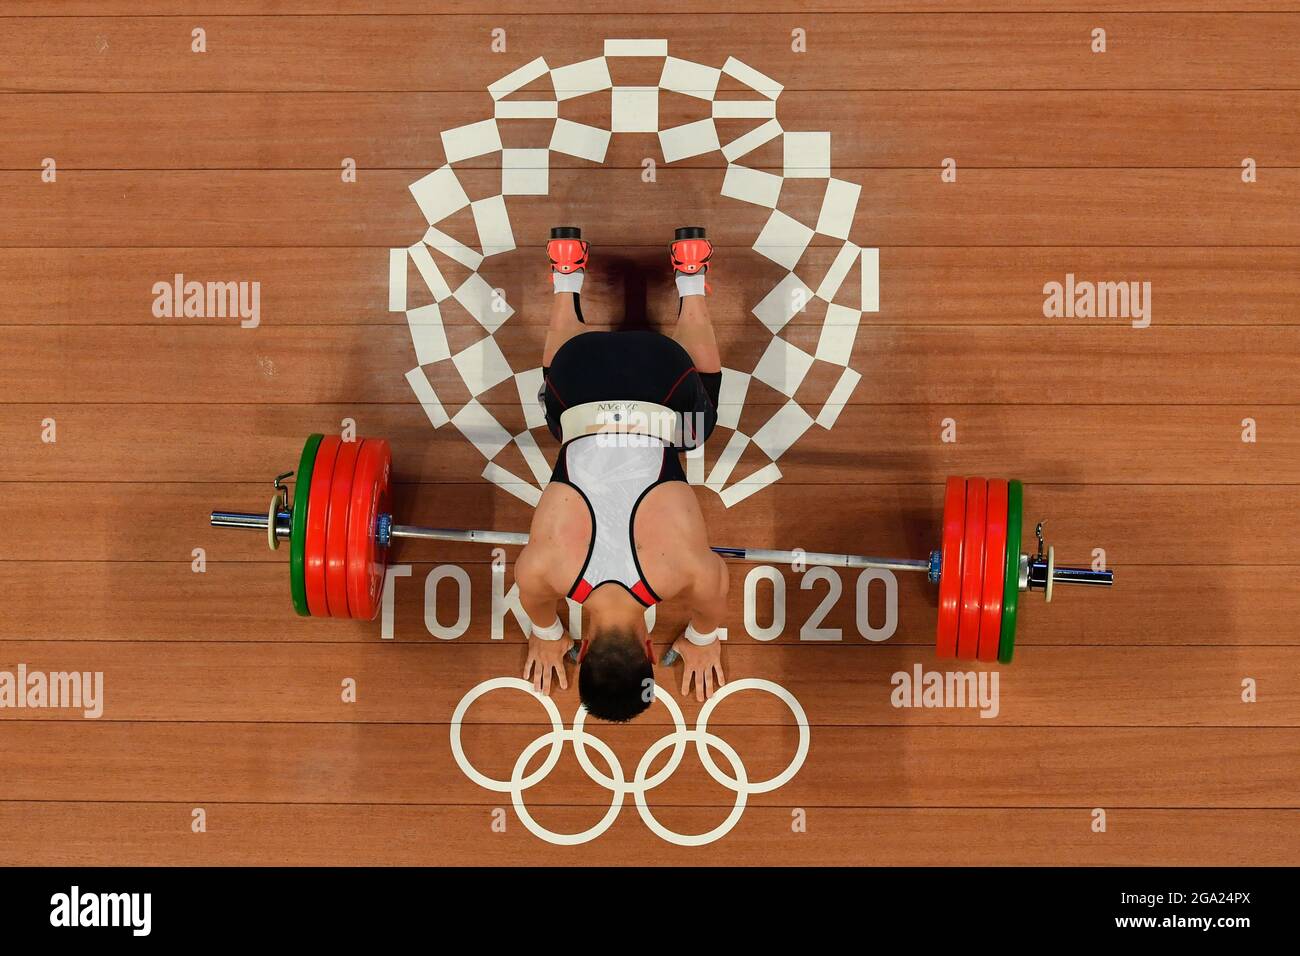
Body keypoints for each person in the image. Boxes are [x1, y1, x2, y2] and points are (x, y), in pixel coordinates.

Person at [513, 226, 729, 721]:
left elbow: (717, 591)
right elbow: (533, 602)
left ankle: (690, 278)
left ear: (651, 650)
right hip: (579, 371)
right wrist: (547, 635)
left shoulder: (686, 574)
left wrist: (702, 638)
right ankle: (566, 274)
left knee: (697, 427)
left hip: (663, 370)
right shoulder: (542, 570)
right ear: (583, 650)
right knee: (558, 418)